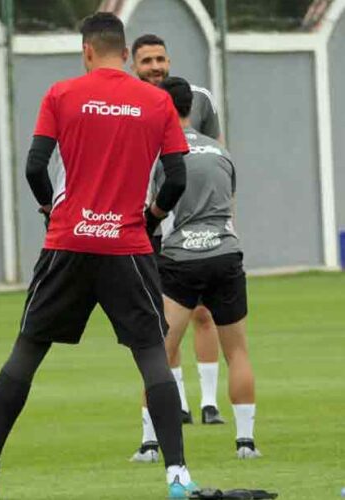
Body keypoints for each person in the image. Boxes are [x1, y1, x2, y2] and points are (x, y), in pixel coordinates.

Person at [0, 13, 197, 500]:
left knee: (28, 349)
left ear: (87, 50)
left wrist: (52, 208)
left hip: (68, 240)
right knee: (152, 356)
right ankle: (177, 476)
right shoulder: (156, 101)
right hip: (128, 245)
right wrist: (151, 217)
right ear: (124, 52)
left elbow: (35, 167)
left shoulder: (61, 94)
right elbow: (176, 179)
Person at [139, 77, 261, 461]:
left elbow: (154, 205)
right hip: (225, 254)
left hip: (180, 260)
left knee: (160, 351)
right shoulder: (220, 152)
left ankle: (150, 443)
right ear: (191, 108)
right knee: (237, 350)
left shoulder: (162, 155)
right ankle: (246, 442)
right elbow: (230, 203)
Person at [131, 33, 225, 426]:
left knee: (204, 313)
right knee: (159, 322)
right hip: (145, 226)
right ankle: (177, 404)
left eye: (160, 59)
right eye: (147, 61)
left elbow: (217, 155)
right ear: (132, 65)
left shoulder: (197, 99)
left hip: (193, 227)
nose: (155, 67)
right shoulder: (125, 104)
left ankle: (209, 403)